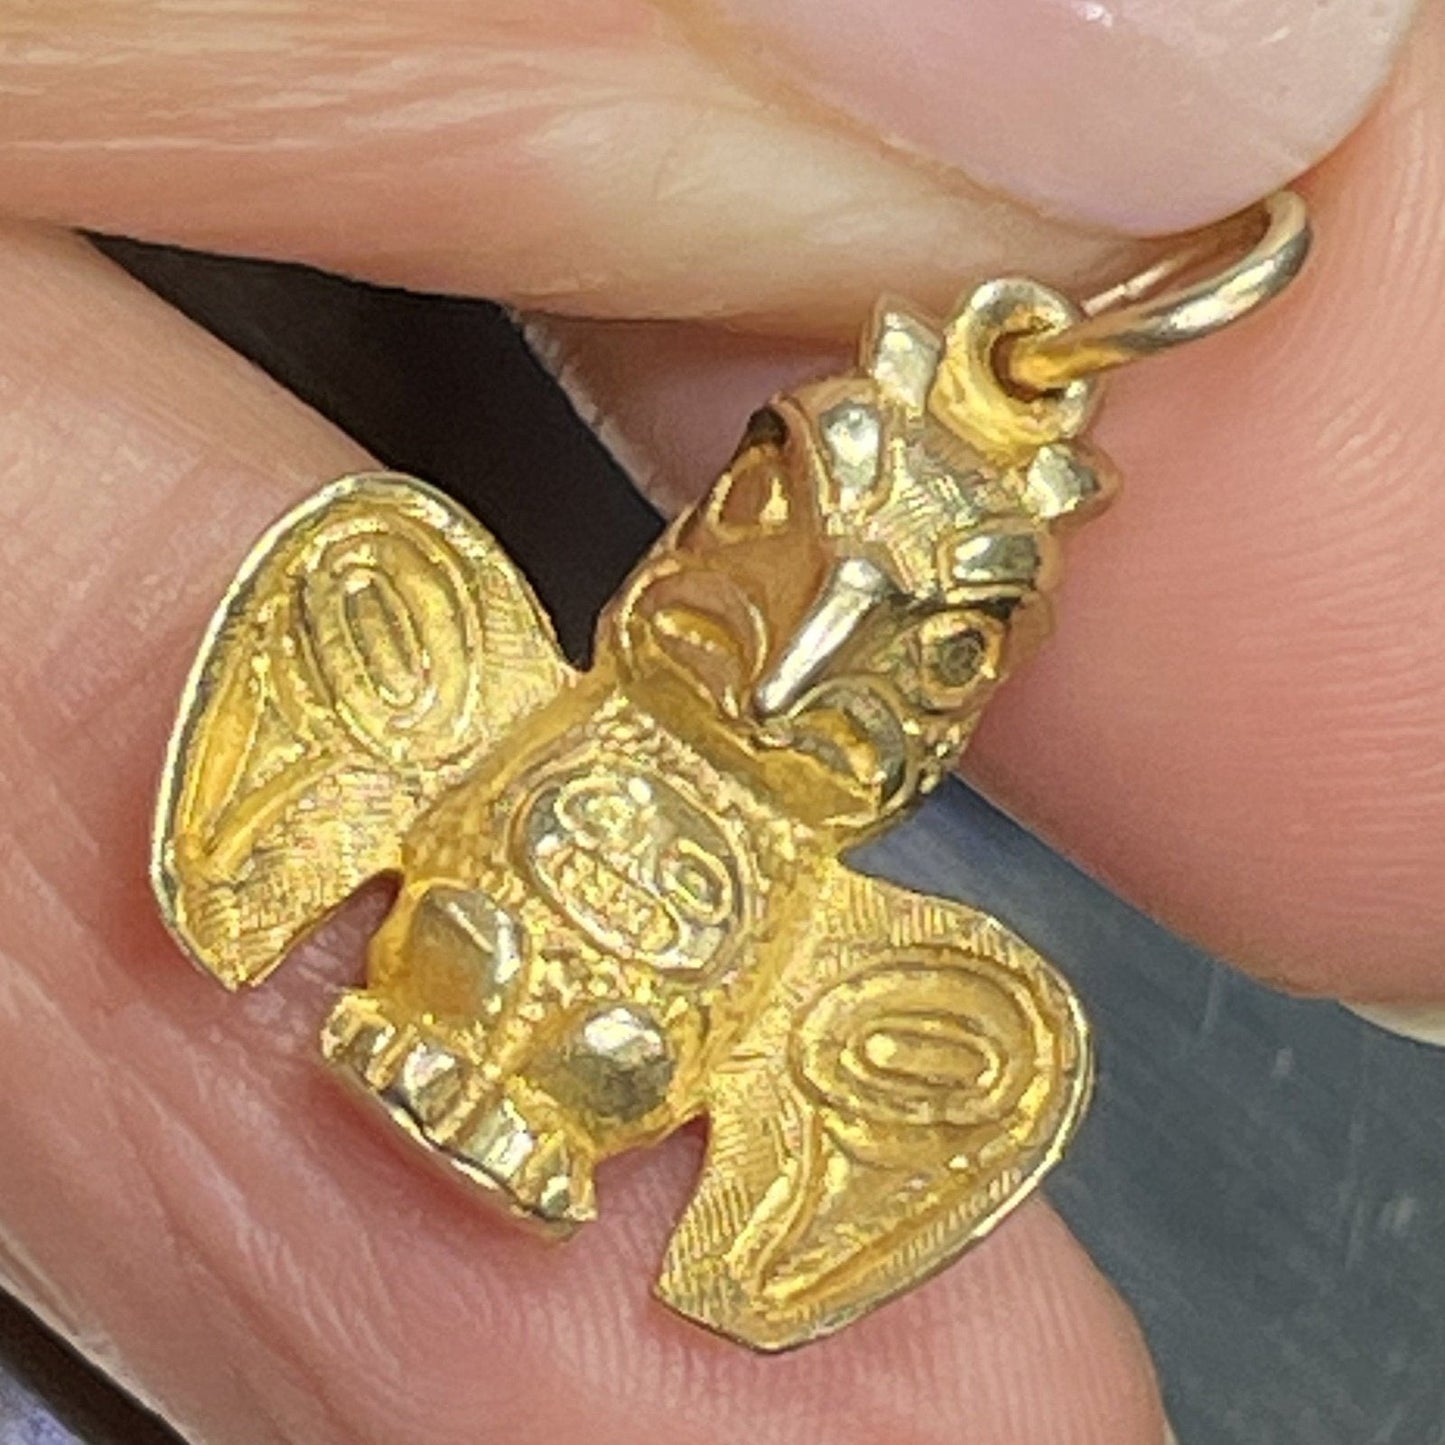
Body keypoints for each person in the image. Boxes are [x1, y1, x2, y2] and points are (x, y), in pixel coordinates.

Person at [0, 2, 1438, 1441]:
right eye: (775, 521)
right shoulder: (425, 626)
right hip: (439, 954)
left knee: (649, 1034)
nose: (794, 663)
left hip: (627, 1048)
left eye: (937, 646)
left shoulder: (908, 996)